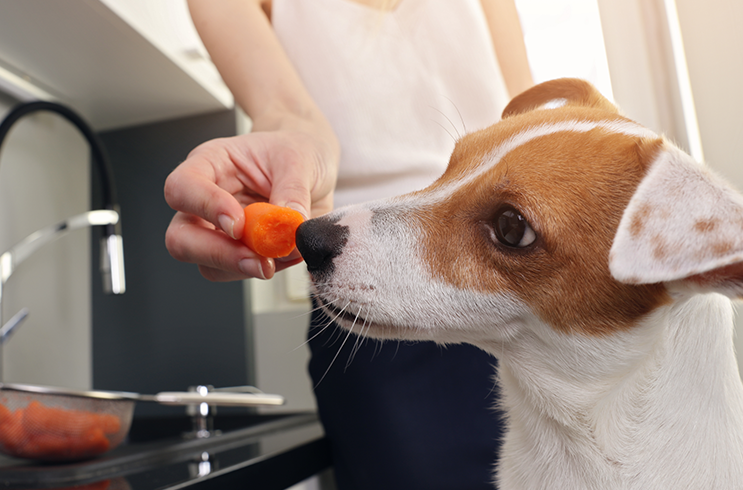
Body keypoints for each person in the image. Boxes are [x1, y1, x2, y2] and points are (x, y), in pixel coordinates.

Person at [164, 0, 533, 488]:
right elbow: (288, 111)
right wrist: (295, 156)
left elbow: (532, 125)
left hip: (516, 295)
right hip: (373, 313)